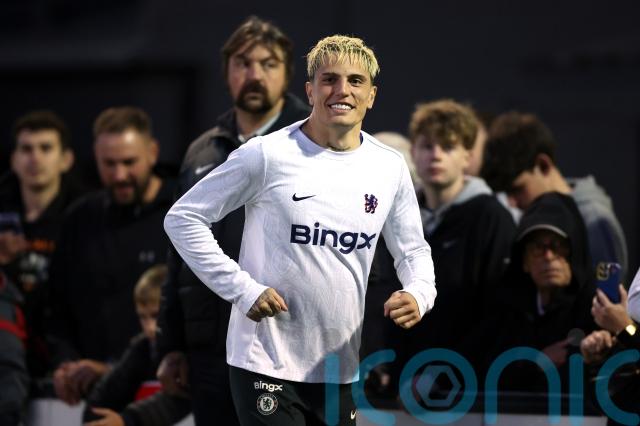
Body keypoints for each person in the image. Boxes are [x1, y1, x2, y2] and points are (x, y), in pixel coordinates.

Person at [164, 35, 436, 425]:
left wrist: (419, 293)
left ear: (372, 96)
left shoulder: (389, 167)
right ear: (310, 91)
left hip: (338, 367)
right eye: (329, 79)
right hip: (263, 361)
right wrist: (242, 289)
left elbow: (413, 251)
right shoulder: (266, 154)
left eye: (355, 81)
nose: (342, 90)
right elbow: (183, 218)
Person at [156, 15, 309, 425]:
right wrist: (171, 345)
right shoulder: (202, 151)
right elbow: (178, 256)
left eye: (268, 64)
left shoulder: (312, 147)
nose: (254, 75)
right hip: (210, 347)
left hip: (286, 345)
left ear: (288, 75)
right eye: (243, 63)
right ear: (226, 73)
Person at [48, 106, 175, 405]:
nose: (119, 175)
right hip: (86, 393)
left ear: (152, 152)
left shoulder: (182, 214)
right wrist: (66, 366)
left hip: (165, 394)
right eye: (109, 164)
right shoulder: (79, 219)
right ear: (96, 157)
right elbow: (56, 307)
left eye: (129, 162)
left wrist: (114, 370)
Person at [393, 100, 515, 398]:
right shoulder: (397, 215)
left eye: (447, 147)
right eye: (427, 146)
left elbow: (496, 312)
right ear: (413, 153)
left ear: (467, 157)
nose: (435, 155)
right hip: (397, 387)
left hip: (466, 392)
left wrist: (443, 376)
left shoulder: (491, 217)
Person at [480, 111, 628, 278]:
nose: (512, 202)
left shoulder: (594, 221)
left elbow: (607, 292)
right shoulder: (528, 218)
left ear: (543, 165)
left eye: (518, 189)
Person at [0, 111, 84, 382]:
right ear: (14, 160)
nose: (34, 158)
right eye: (26, 149)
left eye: (45, 148)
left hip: (66, 355)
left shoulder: (84, 217)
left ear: (66, 159)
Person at [491, 192, 596, 393]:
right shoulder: (508, 313)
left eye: (558, 246)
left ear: (574, 253)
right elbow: (486, 371)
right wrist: (537, 362)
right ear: (524, 261)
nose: (548, 256)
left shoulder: (597, 308)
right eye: (537, 248)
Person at [83, 264, 191, 426]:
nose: (149, 327)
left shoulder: (194, 352)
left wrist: (125, 421)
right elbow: (100, 402)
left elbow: (179, 402)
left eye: (155, 315)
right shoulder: (142, 349)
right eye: (143, 317)